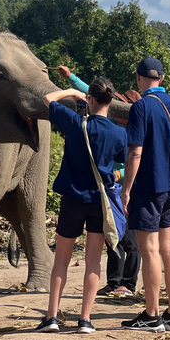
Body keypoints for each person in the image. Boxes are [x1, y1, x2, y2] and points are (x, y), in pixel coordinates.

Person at [35, 77, 128, 334]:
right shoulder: (119, 133)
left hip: (72, 200)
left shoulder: (76, 123)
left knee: (61, 260)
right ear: (111, 101)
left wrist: (73, 91)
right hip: (99, 202)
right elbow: (121, 162)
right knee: (93, 262)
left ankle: (52, 316)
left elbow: (47, 99)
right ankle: (85, 320)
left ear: (90, 99)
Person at [120, 57, 170, 333]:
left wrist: (126, 190)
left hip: (148, 187)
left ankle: (151, 315)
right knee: (169, 249)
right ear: (161, 79)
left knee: (149, 250)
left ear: (139, 79)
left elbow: (135, 151)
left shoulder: (140, 107)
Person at [57, 65, 141, 297]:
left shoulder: (130, 131)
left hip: (122, 189)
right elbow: (92, 93)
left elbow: (133, 163)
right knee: (110, 238)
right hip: (105, 190)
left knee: (128, 238)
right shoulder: (112, 127)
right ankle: (114, 281)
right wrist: (71, 77)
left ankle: (128, 283)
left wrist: (118, 176)